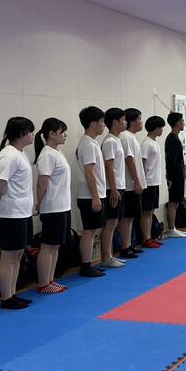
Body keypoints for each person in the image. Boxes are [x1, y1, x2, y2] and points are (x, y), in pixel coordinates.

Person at [0, 117, 36, 309]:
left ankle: (13, 293)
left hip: (21, 213)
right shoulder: (9, 156)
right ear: (21, 133)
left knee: (17, 254)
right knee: (9, 255)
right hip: (10, 214)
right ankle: (6, 297)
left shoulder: (21, 153)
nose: (33, 135)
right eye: (30, 131)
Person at [33, 118, 71, 294]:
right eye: (62, 132)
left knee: (55, 246)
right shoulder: (47, 154)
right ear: (51, 134)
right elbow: (42, 183)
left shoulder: (57, 152)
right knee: (48, 246)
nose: (65, 135)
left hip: (62, 206)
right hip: (52, 206)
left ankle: (50, 280)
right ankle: (43, 283)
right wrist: (39, 204)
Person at [75, 106, 107, 278]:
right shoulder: (87, 144)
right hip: (89, 195)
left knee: (92, 231)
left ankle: (88, 263)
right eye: (102, 122)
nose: (104, 125)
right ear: (93, 124)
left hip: (94, 194)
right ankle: (86, 265)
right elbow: (89, 172)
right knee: (89, 231)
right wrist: (95, 196)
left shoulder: (92, 142)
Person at [101, 108, 128, 268]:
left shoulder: (116, 140)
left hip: (118, 186)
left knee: (115, 221)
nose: (125, 122)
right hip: (113, 187)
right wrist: (113, 188)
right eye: (123, 120)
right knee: (111, 222)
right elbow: (108, 166)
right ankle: (106, 257)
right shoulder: (110, 141)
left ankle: (109, 255)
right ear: (115, 122)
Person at [119, 108, 146, 257]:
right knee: (127, 217)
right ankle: (125, 247)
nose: (141, 122)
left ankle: (129, 244)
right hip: (129, 185)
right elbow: (129, 160)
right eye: (139, 119)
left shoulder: (131, 137)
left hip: (132, 183)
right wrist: (136, 181)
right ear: (132, 122)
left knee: (131, 217)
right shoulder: (125, 137)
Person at [140, 115, 166, 248]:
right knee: (146, 211)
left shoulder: (154, 142)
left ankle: (150, 236)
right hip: (148, 182)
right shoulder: (146, 143)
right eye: (161, 128)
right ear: (156, 128)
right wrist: (142, 182)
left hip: (155, 181)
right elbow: (142, 163)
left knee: (151, 211)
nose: (162, 130)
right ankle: (146, 239)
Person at [164, 112, 186, 238]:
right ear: (177, 123)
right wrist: (170, 178)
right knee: (173, 202)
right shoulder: (172, 139)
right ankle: (171, 228)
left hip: (179, 174)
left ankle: (173, 228)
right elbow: (170, 161)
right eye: (182, 121)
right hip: (175, 176)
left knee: (176, 201)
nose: (183, 123)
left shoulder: (175, 138)